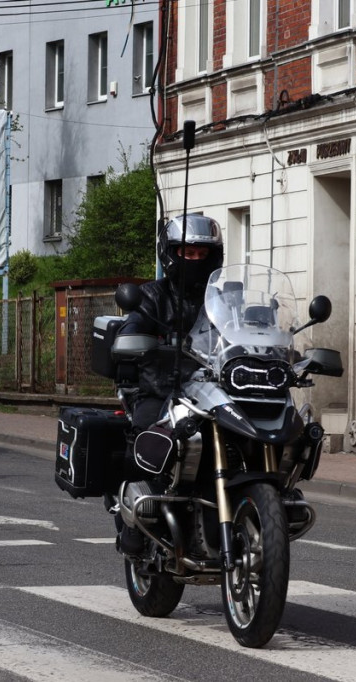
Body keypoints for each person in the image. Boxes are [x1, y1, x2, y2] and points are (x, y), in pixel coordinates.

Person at [112, 215, 224, 553]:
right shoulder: (150, 296)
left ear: (214, 256)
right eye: (187, 253)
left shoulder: (225, 296)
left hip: (213, 388)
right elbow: (130, 332)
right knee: (149, 432)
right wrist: (142, 340)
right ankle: (134, 514)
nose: (194, 260)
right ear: (171, 254)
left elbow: (251, 326)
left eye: (201, 254)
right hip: (160, 387)